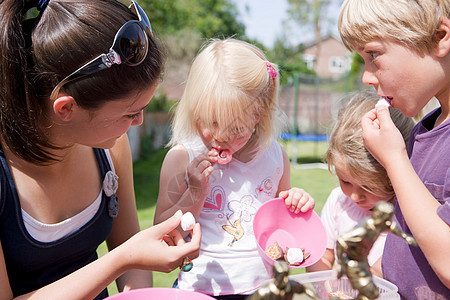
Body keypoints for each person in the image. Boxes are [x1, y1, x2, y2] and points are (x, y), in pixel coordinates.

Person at [0, 0, 201, 299]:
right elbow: (126, 255)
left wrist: (135, 268)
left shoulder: (111, 148)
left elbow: (130, 250)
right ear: (66, 108)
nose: (139, 122)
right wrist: (122, 259)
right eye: (130, 113)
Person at [154, 38, 315, 299]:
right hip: (200, 287)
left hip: (263, 289)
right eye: (211, 122)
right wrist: (196, 191)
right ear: (194, 110)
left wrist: (295, 202)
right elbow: (162, 231)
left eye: (236, 128)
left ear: (259, 114)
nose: (220, 137)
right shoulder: (182, 158)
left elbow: (280, 223)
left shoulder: (275, 158)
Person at [338, 0, 450, 299]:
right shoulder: (423, 131)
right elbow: (410, 243)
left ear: (440, 38)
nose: (366, 76)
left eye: (373, 55)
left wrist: (394, 159)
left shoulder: (401, 151)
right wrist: (374, 274)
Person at [306, 91, 415, 275]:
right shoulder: (338, 202)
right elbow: (324, 257)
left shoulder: (409, 214)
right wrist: (327, 284)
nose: (355, 196)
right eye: (345, 181)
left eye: (369, 187)